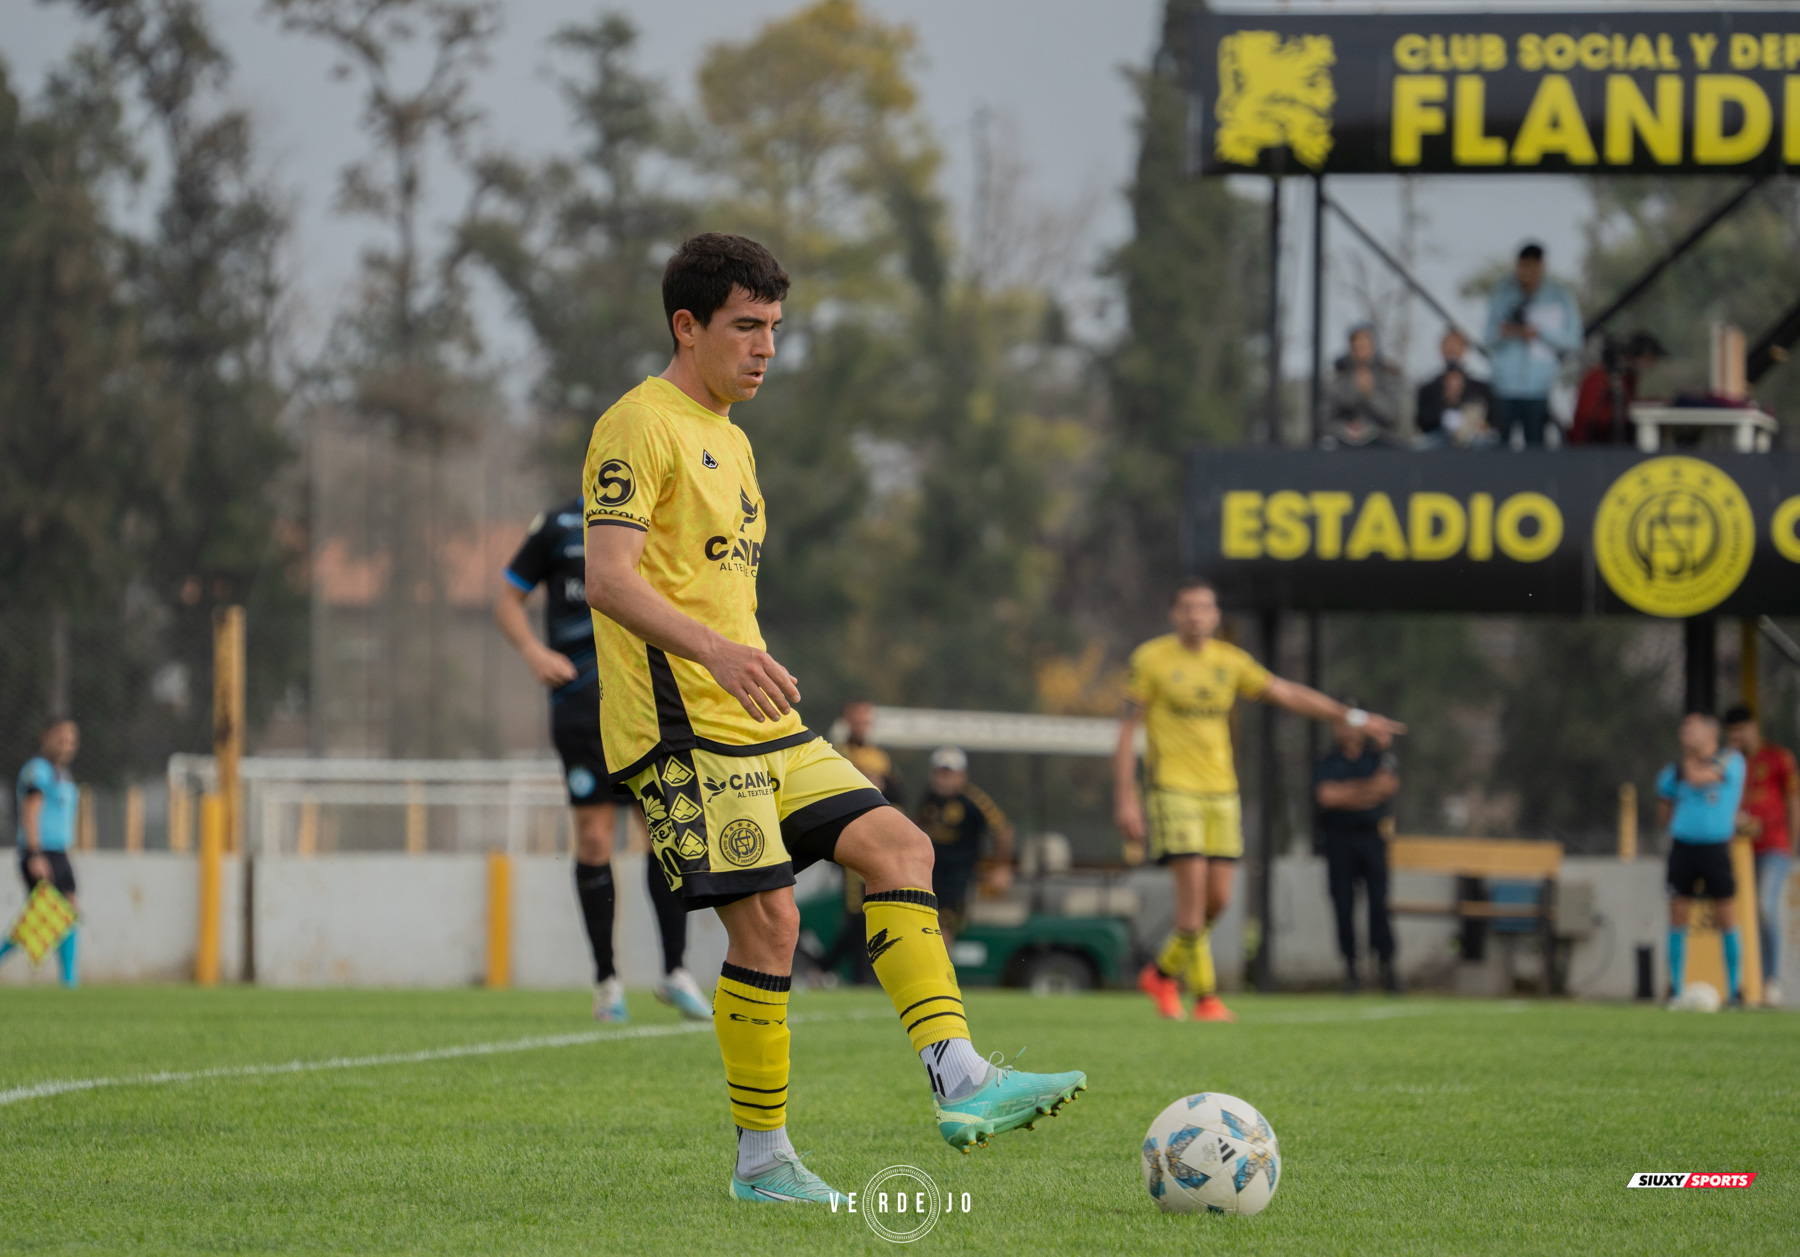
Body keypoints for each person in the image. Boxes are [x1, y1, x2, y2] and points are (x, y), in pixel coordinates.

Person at [582, 232, 1085, 1204]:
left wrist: (747, 653)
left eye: (775, 328)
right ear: (686, 327)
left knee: (900, 847)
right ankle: (763, 1164)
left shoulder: (733, 437)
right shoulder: (637, 425)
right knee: (768, 925)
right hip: (680, 727)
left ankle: (961, 1080)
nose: (766, 347)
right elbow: (608, 579)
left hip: (761, 724)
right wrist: (721, 653)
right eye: (746, 327)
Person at [1114, 580, 1405, 1022]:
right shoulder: (1151, 659)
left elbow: (1287, 693)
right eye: (1187, 607)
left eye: (1204, 608)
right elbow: (1126, 730)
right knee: (1191, 900)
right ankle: (1206, 998)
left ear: (1215, 617)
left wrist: (1352, 717)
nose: (1196, 615)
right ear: (1175, 614)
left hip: (1222, 793)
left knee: (1219, 900)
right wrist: (1126, 798)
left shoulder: (1229, 662)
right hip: (1173, 789)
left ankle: (1162, 970)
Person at [496, 502, 708, 1024]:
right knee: (593, 838)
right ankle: (607, 982)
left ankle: (675, 972)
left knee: (665, 831)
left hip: (644, 699)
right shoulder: (557, 526)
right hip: (579, 705)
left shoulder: (659, 519)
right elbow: (508, 597)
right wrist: (532, 652)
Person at [1657, 712, 1748, 1007]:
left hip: (1716, 848)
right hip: (1683, 847)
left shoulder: (1729, 760)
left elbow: (1698, 779)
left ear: (1711, 734)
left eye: (1692, 729)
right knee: (1678, 914)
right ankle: (1675, 988)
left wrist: (1689, 759)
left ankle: (1735, 991)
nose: (1685, 733)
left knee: (1726, 916)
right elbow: (1664, 810)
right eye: (1683, 728)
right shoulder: (1672, 772)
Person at [1314, 712, 1402, 994]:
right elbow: (1327, 797)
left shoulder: (1377, 758)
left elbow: (1386, 787)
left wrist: (1347, 794)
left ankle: (1386, 966)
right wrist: (1367, 791)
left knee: (1379, 903)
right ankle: (1351, 969)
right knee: (1344, 904)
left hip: (1372, 839)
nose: (1348, 731)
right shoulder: (1328, 762)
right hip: (1338, 841)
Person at [819, 699, 903, 984]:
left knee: (870, 909)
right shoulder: (836, 751)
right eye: (856, 720)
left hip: (876, 840)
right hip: (850, 837)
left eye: (866, 720)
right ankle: (839, 970)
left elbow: (897, 794)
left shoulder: (881, 756)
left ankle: (835, 969)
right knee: (856, 911)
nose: (861, 725)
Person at [1723, 705, 1798, 1006]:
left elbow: (1793, 801)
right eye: (1732, 732)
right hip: (1740, 850)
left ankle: (1772, 980)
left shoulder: (1779, 757)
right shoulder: (1731, 762)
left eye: (1741, 729)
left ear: (1753, 726)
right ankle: (1746, 981)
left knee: (1765, 907)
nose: (1737, 736)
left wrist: (1793, 844)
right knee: (1742, 914)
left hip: (1775, 846)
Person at [0, 719, 82, 987]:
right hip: (40, 852)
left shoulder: (64, 775)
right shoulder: (38, 770)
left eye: (71, 739)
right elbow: (30, 811)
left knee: (64, 911)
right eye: (61, 737)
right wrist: (34, 854)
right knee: (43, 917)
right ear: (45, 737)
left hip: (59, 853)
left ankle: (70, 980)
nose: (66, 744)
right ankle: (69, 981)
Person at [1483, 242, 1582, 448]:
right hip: (1504, 386)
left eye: (1531, 268)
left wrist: (1539, 333)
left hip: (1539, 387)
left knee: (1535, 449)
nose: (1525, 274)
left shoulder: (1559, 295)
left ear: (1541, 267)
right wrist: (1508, 332)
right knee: (1497, 449)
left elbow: (1574, 341)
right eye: (1522, 267)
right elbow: (1487, 338)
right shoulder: (1503, 292)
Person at [915, 747, 1014, 939]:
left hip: (957, 875)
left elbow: (1003, 830)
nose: (943, 779)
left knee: (944, 924)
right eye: (939, 773)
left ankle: (941, 970)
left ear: (962, 775)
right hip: (929, 871)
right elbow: (917, 824)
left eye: (949, 774)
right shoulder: (929, 798)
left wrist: (1001, 867)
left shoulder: (973, 800)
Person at [1570, 331, 1666, 446]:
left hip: (1614, 441)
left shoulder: (1628, 377)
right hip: (1592, 446)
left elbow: (1628, 403)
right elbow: (1589, 417)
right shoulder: (1601, 376)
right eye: (1650, 359)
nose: (1651, 365)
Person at [1321, 323, 1405, 448]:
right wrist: (1345, 428)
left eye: (1364, 346)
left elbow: (1393, 415)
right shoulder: (1339, 378)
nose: (1360, 351)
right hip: (1344, 440)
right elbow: (1324, 418)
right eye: (1356, 347)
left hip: (1382, 439)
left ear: (1373, 347)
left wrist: (1370, 394)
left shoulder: (1389, 375)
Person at [1414, 328, 1492, 447]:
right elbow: (1422, 423)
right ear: (1441, 349)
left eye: (1456, 346)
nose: (1452, 350)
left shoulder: (1481, 388)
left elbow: (1495, 423)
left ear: (1464, 349)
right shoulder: (1427, 389)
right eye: (1448, 346)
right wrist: (1447, 399)